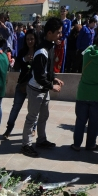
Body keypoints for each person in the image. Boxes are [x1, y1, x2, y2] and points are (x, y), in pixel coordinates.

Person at [21, 17, 64, 158]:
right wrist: (52, 86)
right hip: (35, 90)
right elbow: (39, 76)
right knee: (32, 118)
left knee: (44, 116)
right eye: (58, 32)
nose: (60, 35)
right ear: (50, 33)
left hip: (43, 90)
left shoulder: (50, 46)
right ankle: (26, 145)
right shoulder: (42, 51)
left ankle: (41, 140)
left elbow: (46, 71)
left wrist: (54, 78)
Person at [3, 29, 39, 139]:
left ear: (36, 39)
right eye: (28, 39)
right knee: (16, 107)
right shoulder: (22, 51)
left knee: (33, 109)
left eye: (32, 39)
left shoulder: (40, 51)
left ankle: (33, 128)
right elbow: (16, 66)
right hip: (22, 83)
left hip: (35, 84)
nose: (30, 41)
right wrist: (24, 59)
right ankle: (9, 129)